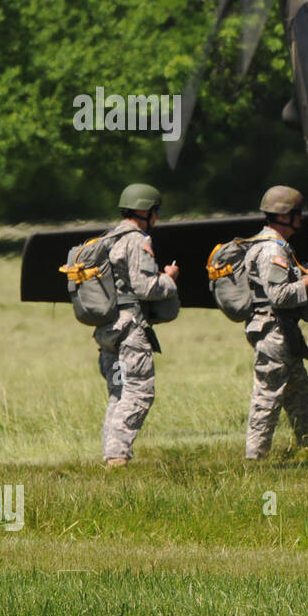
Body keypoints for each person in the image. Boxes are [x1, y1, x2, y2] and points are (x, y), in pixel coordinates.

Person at [96, 183, 179, 468]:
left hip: (108, 330)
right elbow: (144, 286)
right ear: (145, 211)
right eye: (155, 212)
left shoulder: (109, 238)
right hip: (131, 330)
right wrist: (169, 278)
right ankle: (117, 457)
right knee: (139, 391)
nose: (156, 218)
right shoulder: (137, 240)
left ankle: (111, 455)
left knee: (119, 392)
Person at [242, 186, 308, 460]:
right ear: (285, 216)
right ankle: (255, 457)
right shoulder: (271, 250)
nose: (301, 220)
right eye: (297, 214)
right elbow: (279, 296)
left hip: (282, 333)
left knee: (300, 391)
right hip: (274, 333)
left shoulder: (273, 246)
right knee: (267, 396)